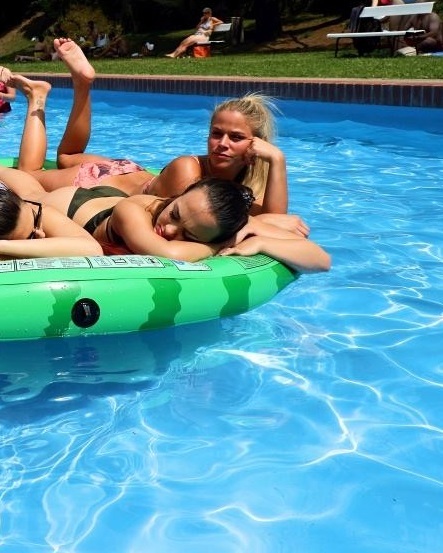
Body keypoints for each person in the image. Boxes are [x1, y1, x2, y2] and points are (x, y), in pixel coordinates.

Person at [3, 42, 330, 272]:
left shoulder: (208, 205)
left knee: (61, 161)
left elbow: (314, 253)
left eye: (236, 138)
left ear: (256, 145)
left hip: (115, 191)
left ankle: (66, 88)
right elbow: (169, 249)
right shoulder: (187, 176)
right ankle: (53, 93)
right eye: (216, 133)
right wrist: (236, 237)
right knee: (35, 175)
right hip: (101, 186)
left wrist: (276, 165)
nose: (221, 144)